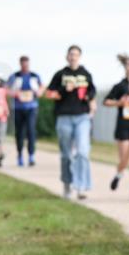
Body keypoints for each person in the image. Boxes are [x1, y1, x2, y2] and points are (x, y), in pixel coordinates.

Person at [45, 45, 97, 200]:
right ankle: (67, 185)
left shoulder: (86, 74)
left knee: (82, 152)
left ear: (79, 57)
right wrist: (63, 90)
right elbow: (48, 94)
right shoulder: (60, 74)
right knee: (66, 155)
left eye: (76, 54)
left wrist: (90, 99)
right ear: (67, 57)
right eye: (71, 54)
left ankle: (81, 187)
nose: (73, 57)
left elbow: (92, 91)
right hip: (64, 117)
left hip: (82, 117)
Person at [104, 54, 129, 201]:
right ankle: (119, 174)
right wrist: (119, 103)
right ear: (125, 67)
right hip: (124, 125)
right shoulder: (120, 86)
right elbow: (106, 101)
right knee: (124, 160)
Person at [7, 56, 44, 167]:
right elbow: (6, 89)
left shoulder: (34, 76)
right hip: (18, 108)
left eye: (27, 64)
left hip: (31, 107)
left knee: (31, 131)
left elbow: (42, 88)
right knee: (19, 133)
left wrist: (38, 92)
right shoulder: (15, 76)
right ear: (20, 64)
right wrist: (15, 93)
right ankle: (19, 155)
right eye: (23, 64)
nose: (25, 66)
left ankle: (31, 155)